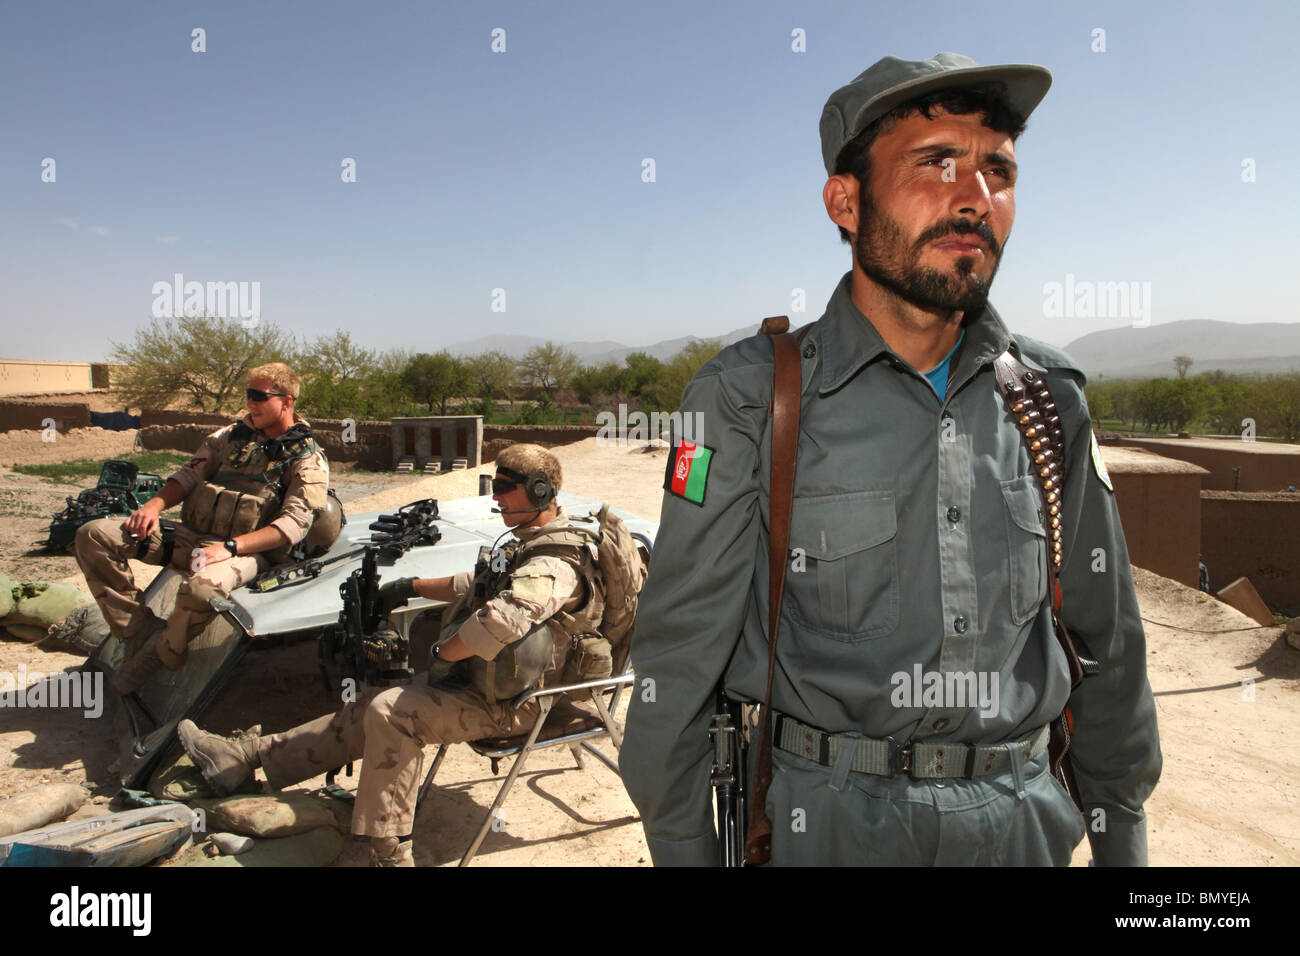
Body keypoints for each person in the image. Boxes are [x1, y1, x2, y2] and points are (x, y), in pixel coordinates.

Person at [620, 53, 1162, 866]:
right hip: (826, 828)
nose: (974, 196)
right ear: (846, 201)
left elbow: (1108, 648)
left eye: (997, 170)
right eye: (935, 163)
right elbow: (677, 662)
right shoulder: (745, 399)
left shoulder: (1049, 400)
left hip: (1021, 828)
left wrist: (1126, 846)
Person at [176, 443, 605, 866]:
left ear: (540, 492)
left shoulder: (555, 560)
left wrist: (443, 654)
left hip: (522, 704)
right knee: (368, 705)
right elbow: (475, 583)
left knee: (391, 713)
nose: (495, 496)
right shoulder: (526, 543)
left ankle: (388, 854)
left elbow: (502, 622)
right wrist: (410, 587)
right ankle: (246, 758)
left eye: (505, 487)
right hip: (492, 683)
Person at [75, 362, 331, 693]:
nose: (250, 403)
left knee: (201, 588)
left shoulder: (308, 457)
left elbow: (292, 526)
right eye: (248, 395)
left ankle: (161, 653)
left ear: (287, 401)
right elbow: (189, 475)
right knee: (94, 535)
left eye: (258, 396)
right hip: (192, 539)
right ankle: (140, 634)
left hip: (250, 554)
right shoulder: (231, 436)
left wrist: (229, 548)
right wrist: (153, 506)